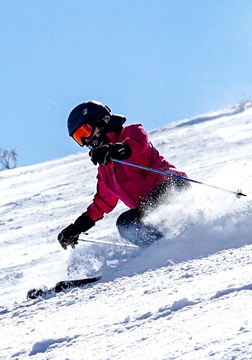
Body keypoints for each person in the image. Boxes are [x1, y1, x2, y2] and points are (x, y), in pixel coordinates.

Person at [57, 101, 190, 249]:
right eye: (78, 137)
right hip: (149, 206)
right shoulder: (105, 170)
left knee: (144, 211)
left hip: (171, 187)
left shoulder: (131, 132)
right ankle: (163, 249)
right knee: (126, 223)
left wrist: (113, 150)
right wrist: (77, 228)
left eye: (85, 131)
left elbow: (136, 145)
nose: (85, 140)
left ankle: (173, 244)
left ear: (103, 120)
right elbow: (102, 203)